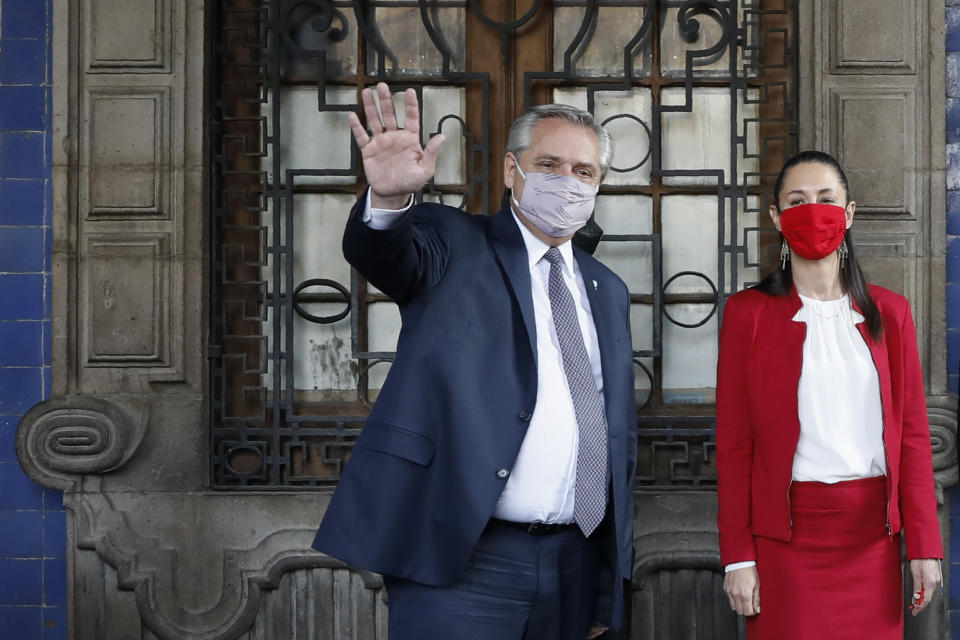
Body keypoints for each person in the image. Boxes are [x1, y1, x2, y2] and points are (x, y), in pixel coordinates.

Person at [312, 83, 637, 640]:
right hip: (463, 555)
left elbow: (612, 432)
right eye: (550, 164)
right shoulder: (453, 241)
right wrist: (389, 200)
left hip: (574, 564)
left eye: (585, 172)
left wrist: (607, 584)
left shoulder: (607, 288)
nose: (568, 181)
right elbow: (384, 255)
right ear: (513, 170)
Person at [715, 150, 943, 639]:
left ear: (849, 212)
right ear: (776, 217)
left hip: (873, 540)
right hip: (785, 540)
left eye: (825, 199)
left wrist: (925, 546)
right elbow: (734, 447)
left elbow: (913, 438)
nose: (812, 210)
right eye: (797, 201)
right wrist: (738, 555)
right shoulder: (747, 315)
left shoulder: (891, 312)